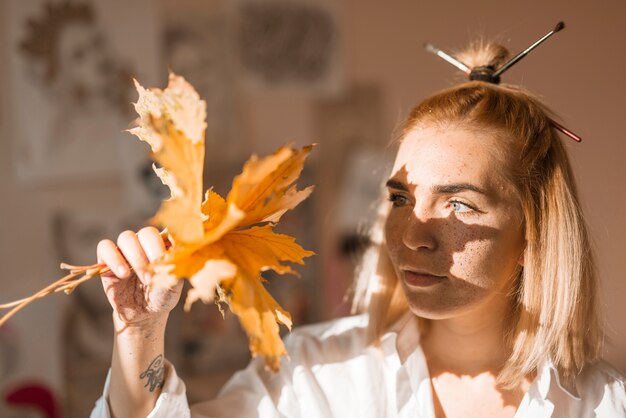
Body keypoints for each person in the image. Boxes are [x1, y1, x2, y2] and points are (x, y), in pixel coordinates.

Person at [90, 41, 626, 418]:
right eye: (401, 198)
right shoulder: (314, 376)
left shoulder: (604, 405)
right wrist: (139, 336)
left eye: (460, 205)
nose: (412, 233)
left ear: (534, 236)